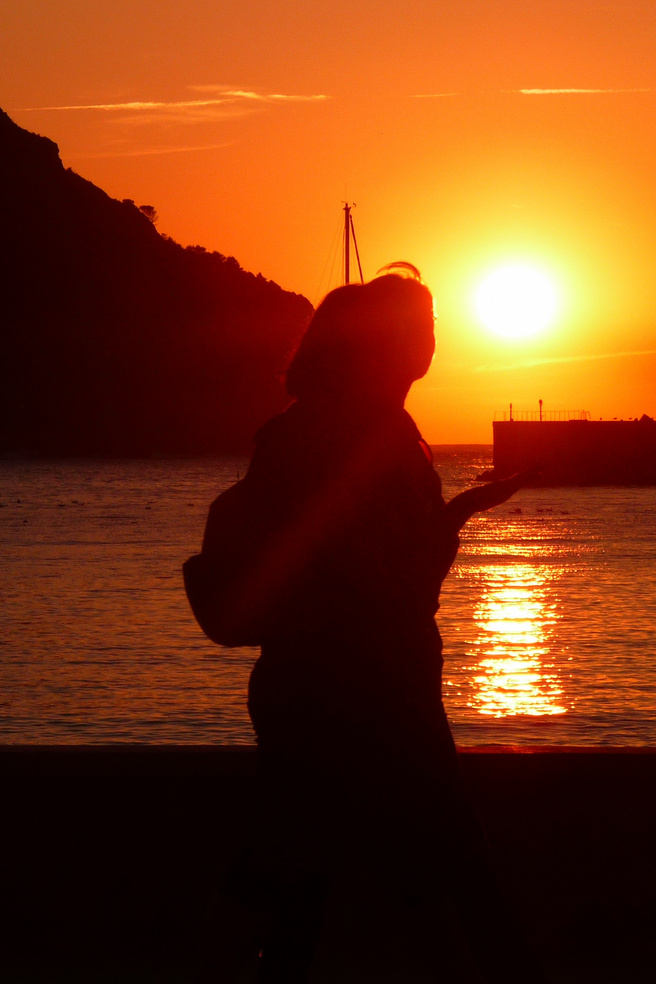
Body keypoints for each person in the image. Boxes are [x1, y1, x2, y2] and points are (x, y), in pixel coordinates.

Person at [185, 265, 544, 983]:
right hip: (366, 687)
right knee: (452, 859)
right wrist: (453, 520)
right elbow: (385, 582)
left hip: (313, 682)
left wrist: (446, 519)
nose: (429, 340)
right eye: (415, 327)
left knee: (298, 863)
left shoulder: (314, 429)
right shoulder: (365, 435)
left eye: (432, 325)